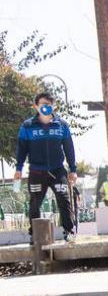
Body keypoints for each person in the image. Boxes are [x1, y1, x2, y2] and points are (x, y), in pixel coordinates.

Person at [14, 92, 78, 243]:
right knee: (35, 203)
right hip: (36, 171)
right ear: (36, 106)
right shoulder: (27, 126)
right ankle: (35, 235)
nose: (46, 107)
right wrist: (18, 168)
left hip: (57, 170)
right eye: (43, 104)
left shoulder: (62, 125)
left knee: (64, 200)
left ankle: (69, 232)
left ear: (53, 106)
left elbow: (69, 147)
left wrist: (73, 170)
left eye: (49, 104)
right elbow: (21, 148)